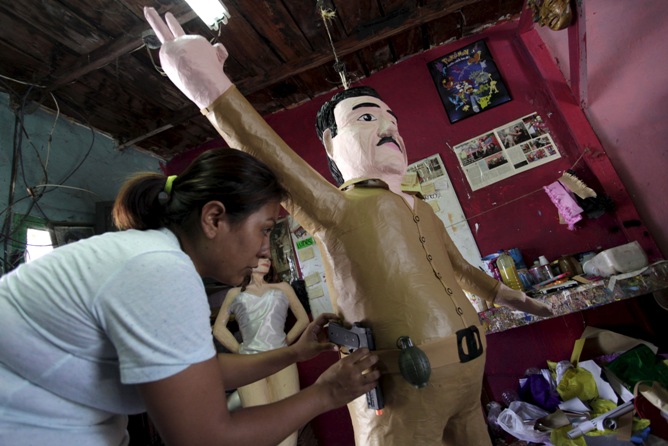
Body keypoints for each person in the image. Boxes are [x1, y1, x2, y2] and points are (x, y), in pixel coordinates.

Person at [144, 9, 553, 445]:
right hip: (401, 391)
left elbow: (455, 266)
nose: (388, 127)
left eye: (392, 121)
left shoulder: (420, 207)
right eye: (365, 118)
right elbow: (269, 156)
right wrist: (210, 88)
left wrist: (499, 293)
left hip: (469, 380)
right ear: (330, 145)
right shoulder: (338, 208)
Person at [0, 148, 380, 446]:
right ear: (214, 219)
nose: (266, 250)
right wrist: (327, 394)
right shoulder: (159, 270)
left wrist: (296, 352)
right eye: (264, 230)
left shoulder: (153, 258)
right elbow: (205, 439)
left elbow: (201, 372)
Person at [213, 257, 309, 446]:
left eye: (268, 258)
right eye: (260, 257)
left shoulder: (283, 288)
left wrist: (284, 343)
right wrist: (240, 350)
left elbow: (303, 320)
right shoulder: (234, 293)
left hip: (281, 359)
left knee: (288, 419)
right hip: (249, 363)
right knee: (259, 424)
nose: (266, 260)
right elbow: (218, 329)